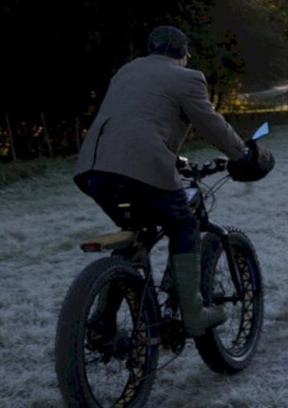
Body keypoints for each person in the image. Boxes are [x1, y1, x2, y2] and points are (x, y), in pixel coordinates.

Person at [74, 25, 273, 336]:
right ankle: (193, 314)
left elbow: (135, 120)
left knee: (137, 232)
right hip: (142, 166)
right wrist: (243, 154)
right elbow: (211, 124)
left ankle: (104, 318)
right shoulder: (187, 77)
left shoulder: (125, 72)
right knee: (184, 224)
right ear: (182, 54)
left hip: (93, 170)